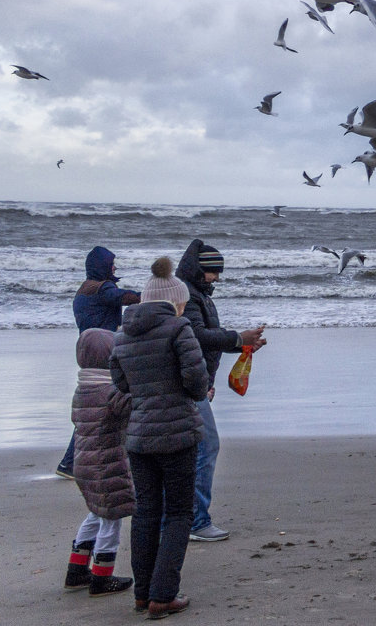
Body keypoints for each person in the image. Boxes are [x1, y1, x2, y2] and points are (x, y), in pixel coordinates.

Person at [110, 257, 208, 619]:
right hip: (178, 432)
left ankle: (142, 593)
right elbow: (197, 383)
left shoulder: (122, 334)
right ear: (173, 301)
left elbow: (121, 384)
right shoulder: (178, 328)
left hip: (139, 436)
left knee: (146, 513)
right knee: (179, 512)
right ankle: (163, 595)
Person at [175, 239, 265, 542]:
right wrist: (238, 339)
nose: (217, 277)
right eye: (214, 272)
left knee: (194, 450)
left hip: (197, 382)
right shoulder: (188, 295)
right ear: (201, 270)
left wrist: (243, 343)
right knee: (206, 446)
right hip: (190, 384)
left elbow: (206, 339)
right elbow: (197, 337)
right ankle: (196, 522)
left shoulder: (197, 293)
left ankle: (182, 519)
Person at [63, 328, 135, 598]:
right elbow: (130, 408)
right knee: (111, 519)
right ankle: (102, 576)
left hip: (84, 464)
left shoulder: (82, 390)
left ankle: (76, 569)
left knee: (95, 513)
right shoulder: (109, 391)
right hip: (107, 463)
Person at [59, 247, 141, 479]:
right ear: (102, 266)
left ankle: (71, 463)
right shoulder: (103, 288)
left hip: (88, 352)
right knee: (109, 407)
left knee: (96, 408)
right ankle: (71, 463)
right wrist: (153, 297)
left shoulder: (83, 291)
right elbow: (122, 297)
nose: (115, 267)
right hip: (106, 354)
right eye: (112, 263)